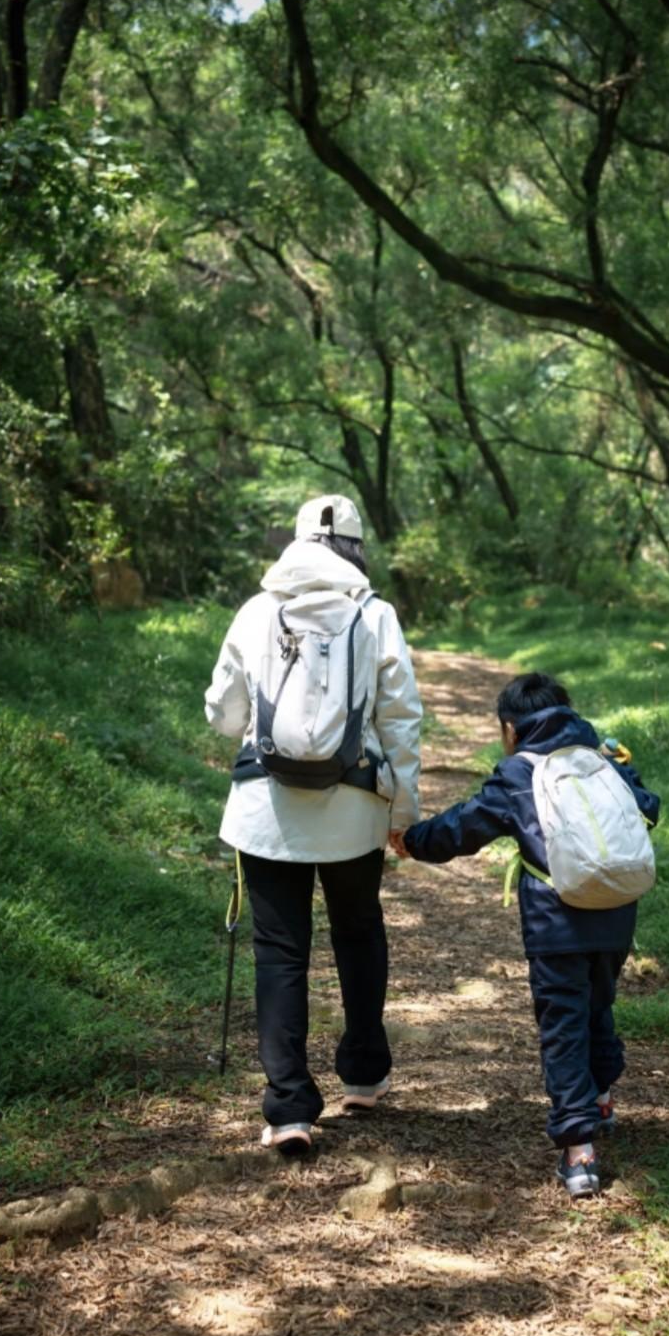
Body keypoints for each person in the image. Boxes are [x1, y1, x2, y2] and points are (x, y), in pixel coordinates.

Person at [205, 494, 422, 1155]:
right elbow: (400, 720)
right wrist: (403, 812)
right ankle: (364, 1075)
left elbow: (223, 714)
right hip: (354, 809)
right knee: (358, 932)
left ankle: (289, 1108)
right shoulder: (375, 614)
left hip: (267, 810)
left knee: (280, 950)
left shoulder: (256, 610)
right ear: (354, 549)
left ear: (295, 544)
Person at [398, 671, 659, 1198]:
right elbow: (649, 809)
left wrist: (413, 841)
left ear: (510, 729)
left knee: (563, 1023)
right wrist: (622, 769)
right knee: (597, 1004)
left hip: (555, 921)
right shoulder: (601, 759)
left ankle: (579, 1150)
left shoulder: (520, 771)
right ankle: (601, 1095)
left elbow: (465, 826)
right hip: (617, 911)